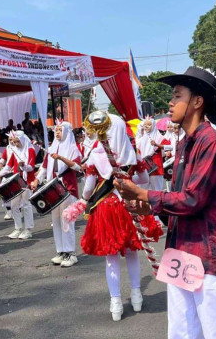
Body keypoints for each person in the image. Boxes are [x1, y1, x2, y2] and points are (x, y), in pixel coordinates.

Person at [114, 67, 216, 339]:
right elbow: (179, 202)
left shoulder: (212, 142)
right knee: (182, 332)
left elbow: (193, 199)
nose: (170, 103)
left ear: (197, 102)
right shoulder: (184, 144)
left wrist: (144, 194)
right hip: (181, 252)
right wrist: (148, 207)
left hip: (209, 256)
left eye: (176, 96)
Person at [65, 112, 163, 322]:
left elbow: (89, 189)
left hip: (107, 208)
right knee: (132, 253)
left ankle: (116, 302)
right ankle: (137, 295)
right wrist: (127, 178)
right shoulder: (132, 153)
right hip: (129, 206)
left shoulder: (96, 154)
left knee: (111, 256)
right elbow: (144, 179)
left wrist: (83, 200)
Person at [32, 121, 81, 267]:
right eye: (56, 130)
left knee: (66, 220)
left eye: (60, 130)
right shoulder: (52, 147)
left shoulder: (73, 148)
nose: (57, 132)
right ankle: (61, 251)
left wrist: (60, 158)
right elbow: (44, 167)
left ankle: (71, 253)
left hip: (67, 189)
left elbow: (78, 167)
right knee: (56, 221)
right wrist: (36, 180)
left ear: (67, 132)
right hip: (52, 188)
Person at [0, 130, 35, 239]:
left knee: (26, 205)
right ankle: (17, 228)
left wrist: (24, 166)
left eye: (18, 141)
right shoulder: (14, 150)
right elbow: (8, 166)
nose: (16, 144)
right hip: (16, 181)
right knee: (14, 205)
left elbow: (31, 167)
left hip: (27, 181)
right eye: (15, 141)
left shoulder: (30, 149)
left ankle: (28, 229)